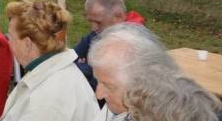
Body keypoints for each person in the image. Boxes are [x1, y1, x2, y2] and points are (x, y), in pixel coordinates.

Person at [88, 23, 222, 121]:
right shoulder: (120, 107)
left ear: (148, 85)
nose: (98, 95)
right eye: (98, 81)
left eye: (108, 86)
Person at [0, 0, 99, 120]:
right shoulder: (50, 71)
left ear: (27, 44)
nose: (8, 43)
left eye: (10, 37)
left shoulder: (47, 101)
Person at [74, 0, 145, 91]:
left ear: (119, 16)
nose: (93, 28)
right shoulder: (102, 32)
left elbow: (98, 82)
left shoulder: (132, 42)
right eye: (91, 21)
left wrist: (80, 67)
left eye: (98, 22)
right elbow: (72, 56)